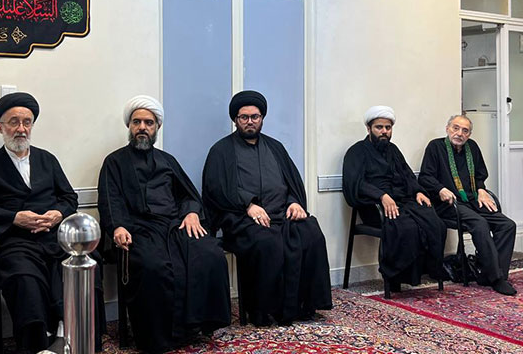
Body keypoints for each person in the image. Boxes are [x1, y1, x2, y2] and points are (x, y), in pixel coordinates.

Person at [0, 92, 106, 354]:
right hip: (15, 242)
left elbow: (69, 197)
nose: (21, 128)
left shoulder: (47, 159)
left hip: (54, 237)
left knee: (85, 260)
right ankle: (38, 346)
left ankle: (75, 335)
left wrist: (57, 214)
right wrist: (14, 217)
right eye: (14, 122)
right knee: (24, 276)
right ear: (0, 127)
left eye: (26, 122)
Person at [97, 95, 231, 354]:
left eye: (148, 122)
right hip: (137, 230)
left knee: (210, 253)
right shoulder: (114, 162)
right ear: (129, 126)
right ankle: (159, 337)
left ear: (157, 127)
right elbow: (110, 200)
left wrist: (191, 213)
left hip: (173, 225)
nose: (142, 127)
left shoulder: (167, 160)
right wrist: (117, 227)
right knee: (154, 267)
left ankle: (198, 325)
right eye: (137, 122)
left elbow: (189, 195)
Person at [202, 90, 332, 324]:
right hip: (241, 219)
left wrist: (293, 202)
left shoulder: (276, 147)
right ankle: (265, 311)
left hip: (281, 214)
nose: (250, 121)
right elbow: (216, 188)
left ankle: (304, 305)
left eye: (255, 116)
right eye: (244, 117)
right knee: (268, 242)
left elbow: (291, 182)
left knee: (311, 233)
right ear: (235, 120)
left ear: (262, 118)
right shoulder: (221, 151)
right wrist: (248, 205)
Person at [342, 106, 446, 288]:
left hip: (402, 202)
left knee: (434, 222)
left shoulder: (393, 150)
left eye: (388, 128)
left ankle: (423, 273)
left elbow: (407, 174)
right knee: (407, 227)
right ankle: (395, 278)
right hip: (374, 207)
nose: (384, 131)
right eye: (379, 127)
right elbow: (356, 183)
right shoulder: (356, 151)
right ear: (369, 128)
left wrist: (418, 191)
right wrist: (381, 196)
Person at [419, 114, 517, 295]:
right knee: (480, 223)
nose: (459, 133)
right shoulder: (436, 147)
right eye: (455, 128)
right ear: (447, 128)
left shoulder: (472, 147)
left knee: (507, 225)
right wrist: (440, 189)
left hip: (472, 200)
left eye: (465, 131)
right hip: (448, 204)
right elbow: (425, 177)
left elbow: (480, 175)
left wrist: (481, 189)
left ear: (469, 134)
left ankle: (489, 273)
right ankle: (496, 279)